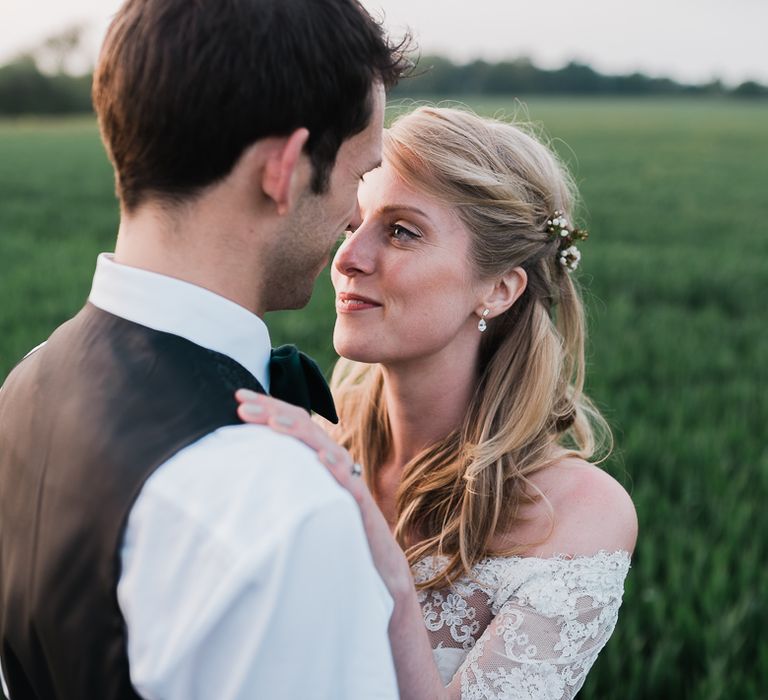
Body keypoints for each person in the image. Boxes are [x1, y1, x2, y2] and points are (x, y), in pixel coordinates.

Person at [0, 1, 410, 698]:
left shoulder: (26, 382)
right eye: (357, 175)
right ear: (281, 169)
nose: (352, 219)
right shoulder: (278, 511)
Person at [236, 106, 639, 699]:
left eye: (401, 231)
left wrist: (391, 586)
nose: (348, 258)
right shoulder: (310, 442)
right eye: (355, 223)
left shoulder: (578, 515)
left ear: (498, 289)